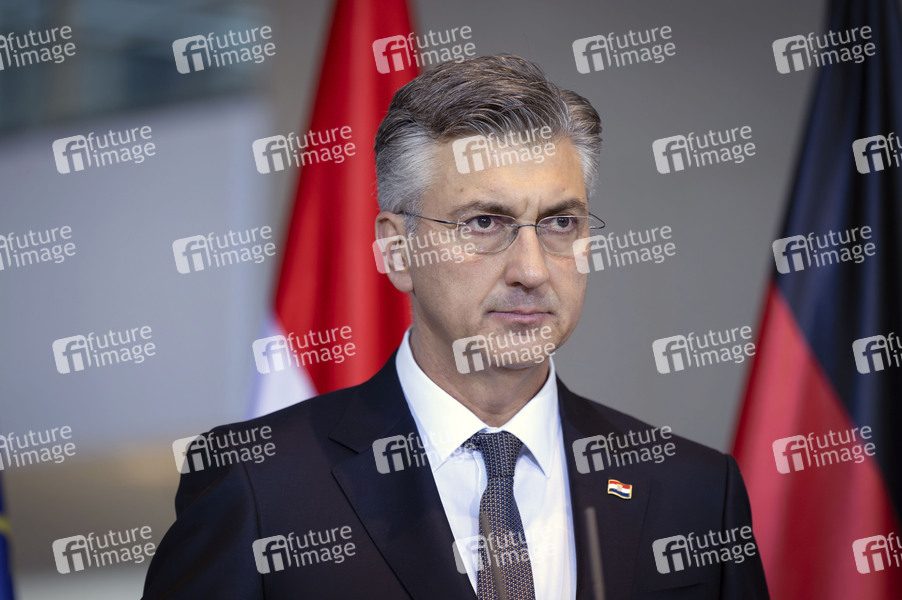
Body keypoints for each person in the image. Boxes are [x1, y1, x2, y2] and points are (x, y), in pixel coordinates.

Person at [142, 54, 769, 599]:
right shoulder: (259, 483)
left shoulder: (693, 491)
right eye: (484, 223)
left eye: (560, 223)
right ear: (397, 251)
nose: (532, 270)